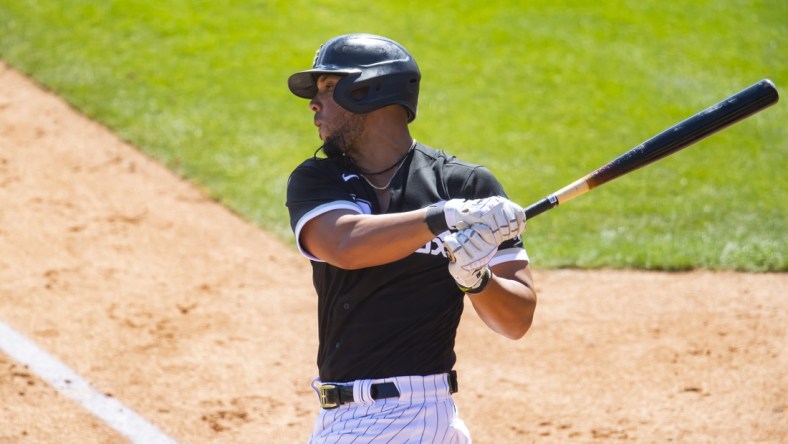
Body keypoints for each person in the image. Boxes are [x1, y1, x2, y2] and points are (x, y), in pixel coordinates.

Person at [285, 33, 537, 443]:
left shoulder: (465, 184)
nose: (314, 104)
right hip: (344, 419)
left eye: (328, 88)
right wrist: (446, 215)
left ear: (369, 90)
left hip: (413, 414)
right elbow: (345, 244)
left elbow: (517, 320)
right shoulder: (319, 179)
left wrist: (477, 280)